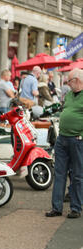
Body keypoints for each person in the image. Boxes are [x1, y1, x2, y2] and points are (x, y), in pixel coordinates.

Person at [45, 68, 83, 219]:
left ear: (78, 80)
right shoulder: (68, 95)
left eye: (69, 81)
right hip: (63, 138)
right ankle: (56, 208)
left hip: (77, 139)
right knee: (59, 173)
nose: (68, 84)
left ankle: (76, 208)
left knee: (78, 175)